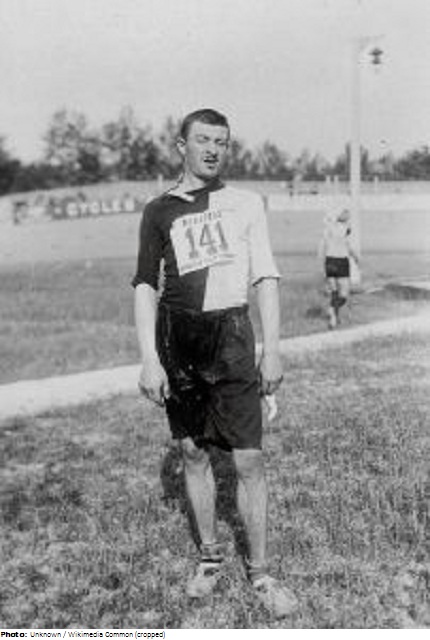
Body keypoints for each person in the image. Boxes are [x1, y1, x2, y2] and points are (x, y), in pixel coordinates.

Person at [132, 108, 298, 619]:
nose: (212, 150)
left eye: (221, 142)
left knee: (249, 460)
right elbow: (145, 284)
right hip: (177, 341)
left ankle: (262, 572)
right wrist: (149, 359)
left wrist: (272, 348)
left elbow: (265, 276)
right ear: (181, 146)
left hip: (231, 337)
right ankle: (209, 558)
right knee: (193, 453)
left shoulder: (245, 203)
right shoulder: (158, 210)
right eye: (202, 140)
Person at [319, 206, 360, 329]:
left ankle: (334, 317)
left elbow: (324, 247)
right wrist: (356, 258)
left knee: (336, 293)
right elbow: (348, 245)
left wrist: (323, 266)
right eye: (346, 214)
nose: (348, 216)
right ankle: (332, 312)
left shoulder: (329, 228)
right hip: (340, 261)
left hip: (331, 261)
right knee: (343, 295)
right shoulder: (345, 228)